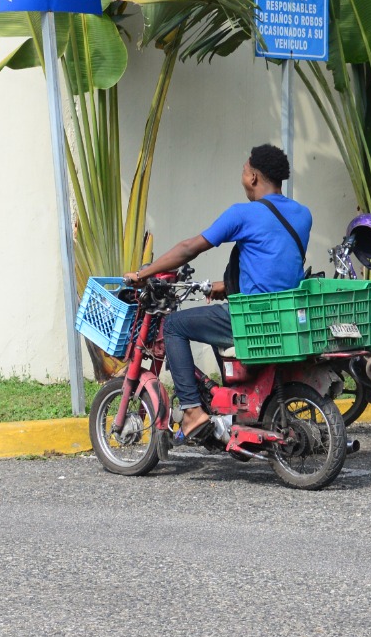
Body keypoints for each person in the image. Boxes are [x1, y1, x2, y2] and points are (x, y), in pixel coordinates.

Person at [124, 144, 311, 442]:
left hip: (252, 317)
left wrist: (141, 274)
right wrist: (224, 287)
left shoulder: (243, 214)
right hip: (286, 315)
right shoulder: (303, 215)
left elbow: (189, 248)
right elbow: (274, 263)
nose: (242, 176)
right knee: (212, 320)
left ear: (252, 177)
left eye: (243, 170)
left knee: (174, 325)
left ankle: (192, 411)